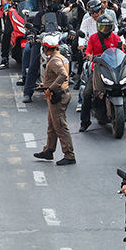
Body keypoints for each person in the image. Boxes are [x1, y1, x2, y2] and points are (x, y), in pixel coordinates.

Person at [32, 34, 75, 165]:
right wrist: (45, 86)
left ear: (45, 48)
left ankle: (69, 155)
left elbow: (63, 75)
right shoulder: (61, 57)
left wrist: (50, 89)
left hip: (58, 96)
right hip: (59, 95)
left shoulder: (55, 60)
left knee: (60, 126)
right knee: (52, 125)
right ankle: (49, 150)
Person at [22, 0, 69, 103]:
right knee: (33, 62)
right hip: (41, 41)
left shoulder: (62, 15)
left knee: (68, 55)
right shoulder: (41, 14)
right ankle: (27, 92)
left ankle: (67, 82)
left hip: (57, 42)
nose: (56, 3)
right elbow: (35, 27)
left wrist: (71, 32)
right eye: (54, 1)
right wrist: (32, 34)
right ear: (48, 1)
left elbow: (68, 27)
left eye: (59, 1)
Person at [79, 15, 123, 131]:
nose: (104, 30)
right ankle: (85, 121)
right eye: (101, 27)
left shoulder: (116, 38)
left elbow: (122, 52)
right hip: (97, 69)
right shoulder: (93, 38)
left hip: (114, 69)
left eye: (106, 27)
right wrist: (89, 56)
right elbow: (88, 51)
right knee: (87, 93)